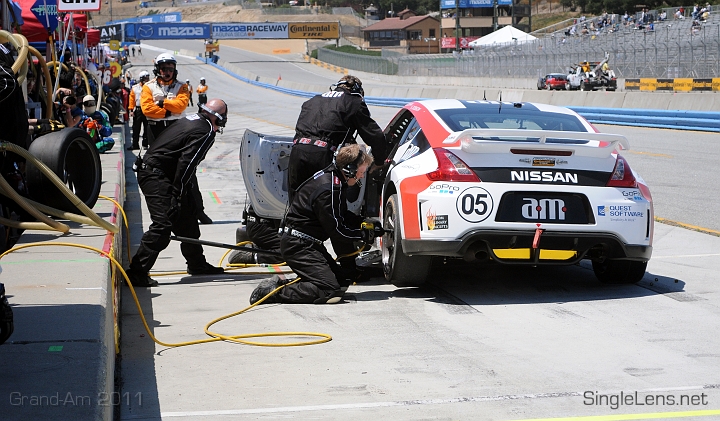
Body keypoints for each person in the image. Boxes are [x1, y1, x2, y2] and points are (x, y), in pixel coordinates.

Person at [249, 144, 381, 304]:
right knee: (329, 290)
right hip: (298, 246)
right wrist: (363, 235)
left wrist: (364, 223)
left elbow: (342, 215)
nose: (361, 177)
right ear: (350, 170)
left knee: (340, 283)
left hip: (306, 244)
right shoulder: (329, 189)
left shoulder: (334, 179)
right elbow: (337, 231)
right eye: (361, 172)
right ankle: (273, 292)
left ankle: (287, 285)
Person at [125, 99, 229, 287]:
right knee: (163, 223)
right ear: (218, 118)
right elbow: (187, 163)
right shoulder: (206, 132)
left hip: (159, 171)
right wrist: (177, 192)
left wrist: (182, 195)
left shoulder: (191, 119)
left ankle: (197, 264)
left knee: (187, 216)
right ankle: (136, 272)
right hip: (155, 174)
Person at [140, 52, 189, 143]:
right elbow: (147, 109)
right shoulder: (148, 86)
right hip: (155, 128)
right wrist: (167, 113)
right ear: (158, 69)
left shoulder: (182, 86)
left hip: (176, 126)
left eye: (171, 69)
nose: (168, 72)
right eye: (164, 69)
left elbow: (181, 106)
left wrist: (162, 103)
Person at [128, 70, 150, 150]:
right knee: (136, 128)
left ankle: (145, 144)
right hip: (138, 110)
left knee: (147, 128)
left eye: (147, 78)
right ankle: (135, 144)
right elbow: (131, 99)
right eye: (145, 78)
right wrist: (131, 110)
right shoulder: (135, 88)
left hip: (147, 109)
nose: (147, 80)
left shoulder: (150, 87)